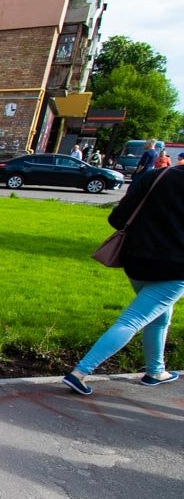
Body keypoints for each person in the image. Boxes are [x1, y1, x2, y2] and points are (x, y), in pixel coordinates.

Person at [62, 165, 183, 396]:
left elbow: (118, 217)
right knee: (133, 320)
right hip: (176, 266)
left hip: (136, 258)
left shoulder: (156, 175)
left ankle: (156, 371)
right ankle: (79, 373)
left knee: (159, 315)